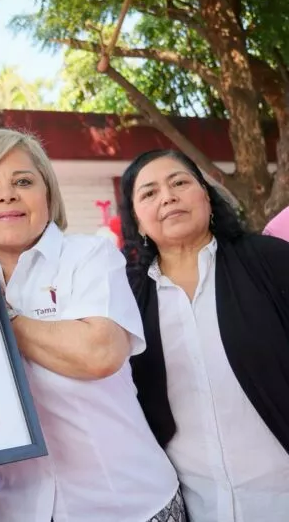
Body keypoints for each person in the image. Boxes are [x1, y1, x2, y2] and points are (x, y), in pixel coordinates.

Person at [0, 129, 183, 522]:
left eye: (23, 181)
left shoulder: (89, 256)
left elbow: (99, 353)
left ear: (48, 194)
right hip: (13, 509)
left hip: (127, 506)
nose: (6, 194)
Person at [119, 149, 289, 522]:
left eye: (179, 182)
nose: (167, 196)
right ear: (137, 221)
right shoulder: (125, 299)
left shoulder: (272, 261)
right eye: (149, 193)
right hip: (197, 505)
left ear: (207, 197)